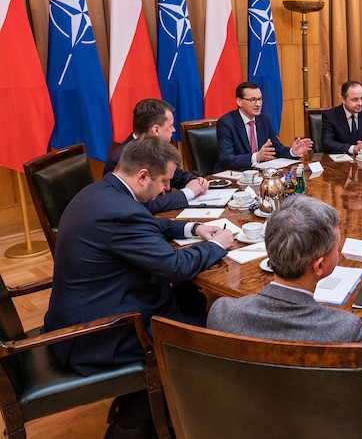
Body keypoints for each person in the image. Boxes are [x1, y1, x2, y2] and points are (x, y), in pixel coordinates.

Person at [43, 136, 234, 438]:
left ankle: (151, 402)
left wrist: (193, 228)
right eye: (163, 182)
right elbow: (176, 267)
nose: (165, 190)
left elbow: (147, 223)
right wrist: (217, 245)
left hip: (86, 312)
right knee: (215, 338)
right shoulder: (120, 211)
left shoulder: (102, 191)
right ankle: (133, 423)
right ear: (143, 175)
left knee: (194, 304)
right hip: (97, 333)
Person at [207, 196, 362, 401]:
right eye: (336, 248)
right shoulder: (343, 329)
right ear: (320, 266)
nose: (339, 252)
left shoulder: (222, 312)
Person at [103, 98, 208, 214]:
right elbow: (139, 206)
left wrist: (195, 181)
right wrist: (187, 193)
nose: (173, 130)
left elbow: (176, 175)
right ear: (156, 130)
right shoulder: (121, 159)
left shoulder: (159, 147)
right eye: (170, 126)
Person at [216, 81, 312, 172]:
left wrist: (292, 151)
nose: (258, 104)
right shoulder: (226, 123)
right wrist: (256, 157)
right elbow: (226, 159)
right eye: (253, 100)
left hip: (259, 176)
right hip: (233, 177)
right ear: (239, 102)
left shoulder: (263, 119)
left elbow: (275, 148)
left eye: (260, 99)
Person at [322, 81, 362, 154]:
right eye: (355, 100)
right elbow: (327, 143)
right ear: (343, 99)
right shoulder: (330, 116)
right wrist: (353, 149)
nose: (360, 103)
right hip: (339, 161)